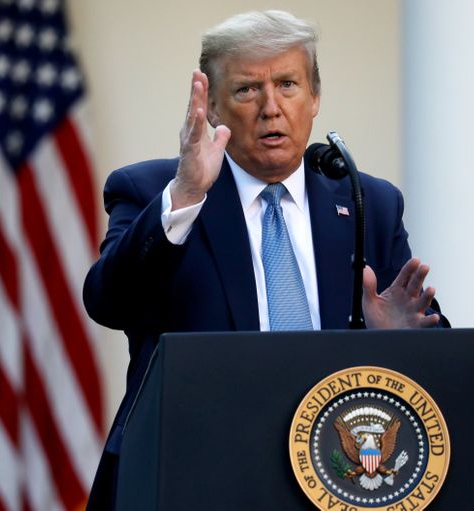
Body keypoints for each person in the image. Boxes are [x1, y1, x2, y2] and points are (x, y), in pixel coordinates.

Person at [82, 10, 449, 510]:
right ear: (211, 105)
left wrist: (398, 346)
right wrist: (187, 192)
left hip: (333, 480)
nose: (270, 108)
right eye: (247, 90)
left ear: (315, 97)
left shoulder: (369, 203)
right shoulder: (153, 189)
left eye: (288, 84)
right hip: (192, 476)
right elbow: (110, 302)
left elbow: (435, 345)